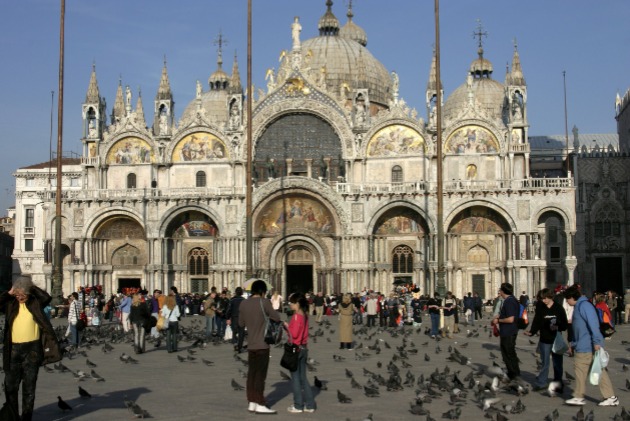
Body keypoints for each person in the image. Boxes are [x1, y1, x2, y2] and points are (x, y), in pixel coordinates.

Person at [0, 276, 61, 421]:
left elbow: (47, 298)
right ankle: (13, 416)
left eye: (23, 294)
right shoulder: (10, 303)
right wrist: (9, 293)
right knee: (10, 387)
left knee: (29, 388)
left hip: (32, 350)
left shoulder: (34, 303)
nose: (20, 297)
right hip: (13, 349)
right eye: (18, 294)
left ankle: (27, 417)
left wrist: (30, 287)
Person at [563, 285, 618, 406]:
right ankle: (611, 397)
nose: (566, 301)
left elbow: (593, 324)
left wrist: (597, 342)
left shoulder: (584, 306)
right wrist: (573, 343)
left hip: (586, 345)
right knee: (598, 371)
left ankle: (578, 396)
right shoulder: (581, 306)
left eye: (567, 299)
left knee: (580, 369)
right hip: (583, 344)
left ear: (572, 297)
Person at [238, 280, 281, 414]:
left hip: (251, 345)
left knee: (251, 374)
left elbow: (240, 323)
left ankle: (251, 402)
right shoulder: (265, 302)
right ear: (262, 292)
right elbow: (277, 317)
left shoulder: (243, 303)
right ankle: (260, 403)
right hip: (262, 345)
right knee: (260, 375)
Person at [524, 288, 568, 391]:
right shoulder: (541, 308)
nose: (543, 301)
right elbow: (537, 321)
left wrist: (557, 325)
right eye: (542, 299)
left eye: (545, 299)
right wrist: (532, 332)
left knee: (557, 364)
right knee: (545, 363)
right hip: (544, 339)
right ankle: (542, 383)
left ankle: (558, 383)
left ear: (550, 297)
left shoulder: (558, 308)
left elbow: (564, 325)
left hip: (556, 339)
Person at [283, 293, 316, 413]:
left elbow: (295, 334)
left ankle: (298, 405)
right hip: (304, 348)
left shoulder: (297, 316)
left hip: (295, 349)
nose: (290, 304)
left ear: (297, 304)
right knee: (303, 378)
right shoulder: (305, 315)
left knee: (295, 378)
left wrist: (286, 327)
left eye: (292, 302)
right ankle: (310, 405)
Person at [491, 282, 521, 381]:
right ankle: (514, 373)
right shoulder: (512, 300)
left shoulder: (509, 301)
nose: (499, 292)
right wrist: (500, 316)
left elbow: (511, 319)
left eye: (500, 290)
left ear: (503, 291)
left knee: (508, 354)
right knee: (509, 353)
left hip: (508, 332)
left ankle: (514, 375)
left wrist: (498, 320)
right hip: (509, 331)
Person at [227, 287, 246, 353]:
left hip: (234, 318)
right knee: (241, 333)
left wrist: (227, 318)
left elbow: (229, 310)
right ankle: (240, 347)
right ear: (241, 293)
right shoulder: (244, 300)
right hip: (242, 318)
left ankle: (235, 344)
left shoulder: (232, 300)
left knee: (234, 332)